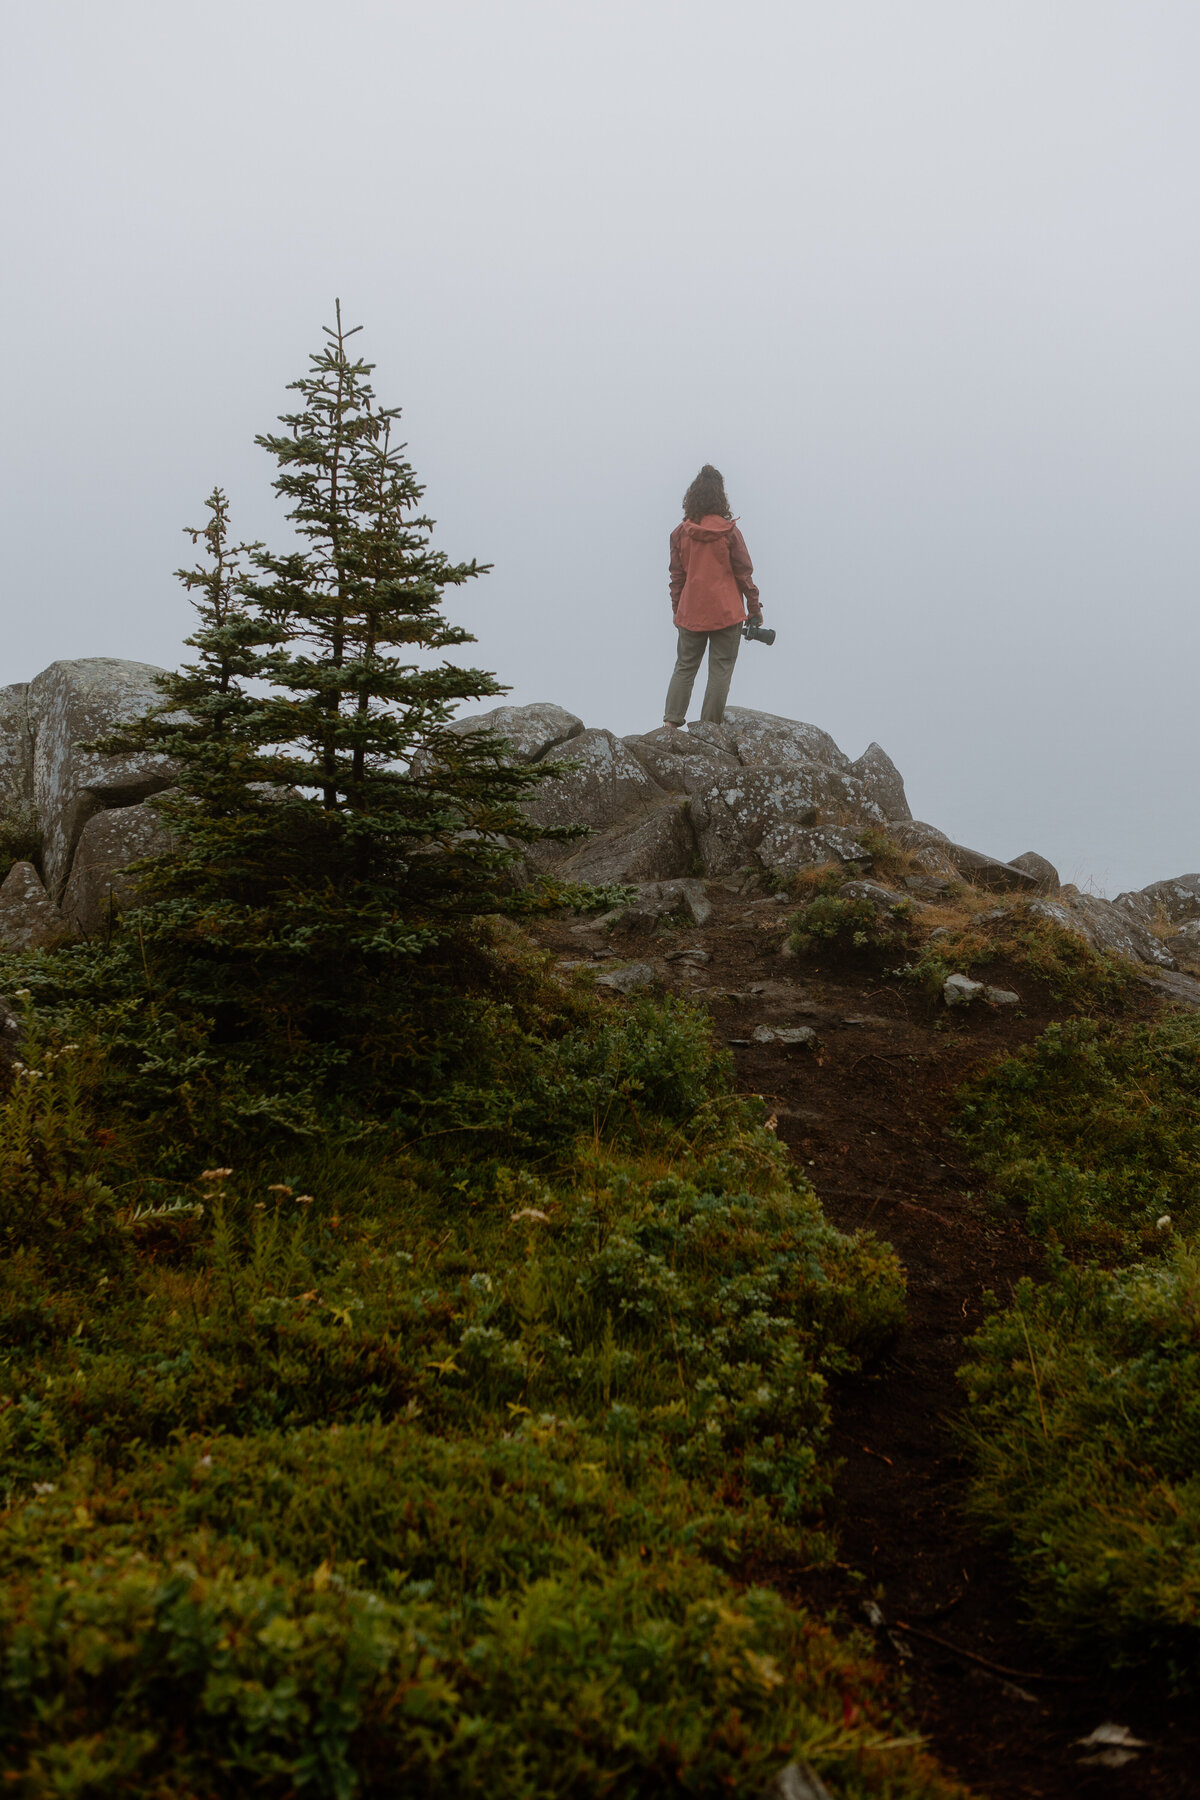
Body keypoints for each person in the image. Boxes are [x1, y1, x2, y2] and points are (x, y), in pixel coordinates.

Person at [663, 464, 763, 728]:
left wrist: (678, 610)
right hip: (727, 613)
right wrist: (754, 609)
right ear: (721, 497)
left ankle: (671, 724)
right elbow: (744, 574)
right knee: (720, 671)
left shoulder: (679, 534)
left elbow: (677, 577)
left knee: (684, 668)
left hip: (691, 612)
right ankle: (708, 730)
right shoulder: (729, 532)